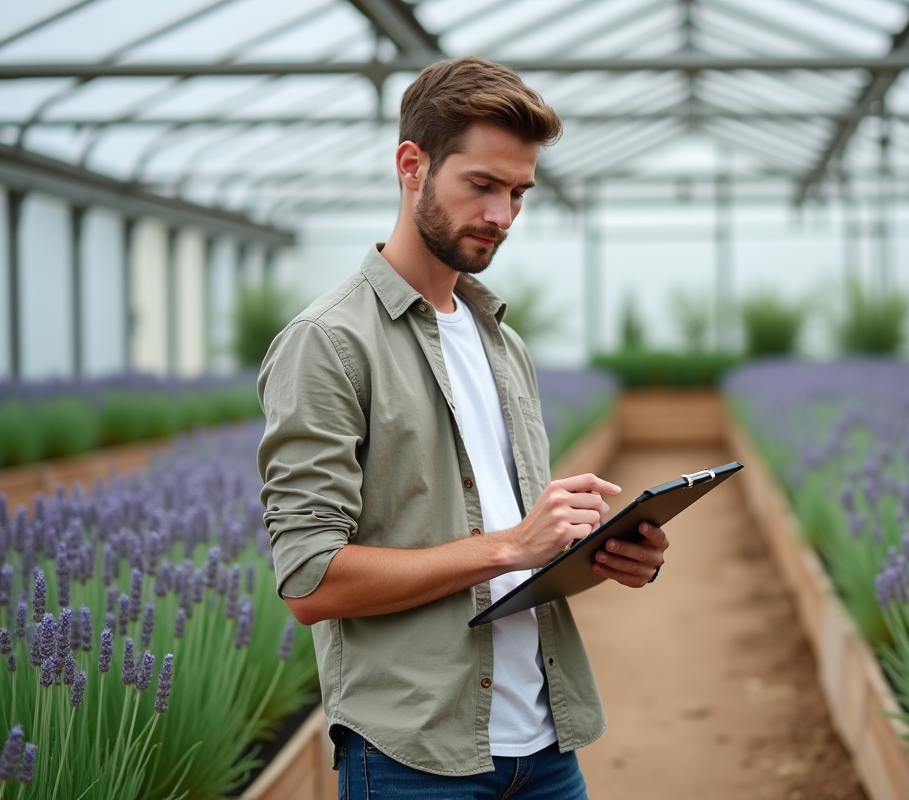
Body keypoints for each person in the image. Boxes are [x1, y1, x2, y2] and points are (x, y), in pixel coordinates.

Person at [256, 56, 669, 800]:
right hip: (417, 758)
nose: (503, 216)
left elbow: (506, 548)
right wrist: (511, 543)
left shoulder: (501, 341)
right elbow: (309, 580)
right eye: (482, 186)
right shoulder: (329, 342)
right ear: (412, 165)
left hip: (545, 745)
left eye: (518, 193)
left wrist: (596, 550)